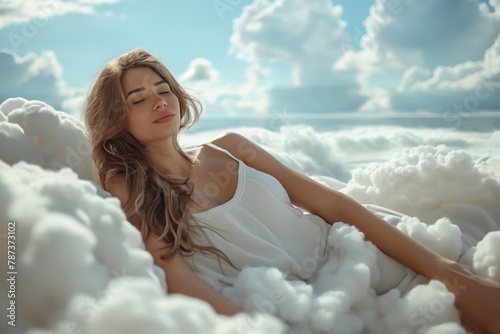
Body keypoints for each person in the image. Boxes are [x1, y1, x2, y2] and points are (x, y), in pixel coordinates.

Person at [84, 48, 500, 333]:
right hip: (307, 306)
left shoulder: (230, 147)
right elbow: (173, 273)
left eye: (163, 89)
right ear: (117, 120)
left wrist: (451, 273)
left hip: (363, 253)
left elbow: (332, 203)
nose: (159, 102)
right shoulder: (134, 187)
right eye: (138, 99)